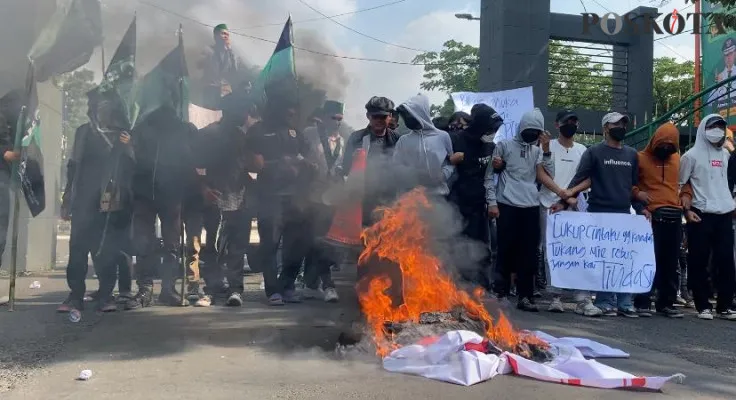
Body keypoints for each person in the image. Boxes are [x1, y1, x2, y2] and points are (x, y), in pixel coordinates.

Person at [553, 112, 640, 318]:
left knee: (623, 260)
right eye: (616, 123)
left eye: (623, 124)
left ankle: (625, 302)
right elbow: (579, 179)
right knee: (602, 260)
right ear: (606, 128)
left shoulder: (631, 154)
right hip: (599, 214)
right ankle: (604, 301)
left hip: (623, 214)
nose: (621, 127)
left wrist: (642, 209)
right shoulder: (594, 152)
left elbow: (634, 186)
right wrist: (562, 202)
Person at [58, 94, 135, 313]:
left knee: (105, 250)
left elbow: (132, 167)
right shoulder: (83, 132)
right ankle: (75, 296)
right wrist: (67, 199)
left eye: (106, 106)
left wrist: (128, 148)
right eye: (97, 106)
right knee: (78, 249)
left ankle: (106, 295)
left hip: (109, 200)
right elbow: (73, 166)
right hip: (83, 199)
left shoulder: (123, 135)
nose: (101, 111)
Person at [246, 79, 317, 306]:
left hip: (297, 198)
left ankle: (287, 285)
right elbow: (253, 164)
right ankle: (272, 290)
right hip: (271, 197)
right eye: (287, 106)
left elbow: (309, 158)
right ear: (276, 107)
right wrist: (280, 164)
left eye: (293, 107)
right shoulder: (259, 130)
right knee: (270, 245)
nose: (291, 111)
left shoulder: (297, 133)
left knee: (299, 244)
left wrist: (308, 165)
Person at [485, 108, 564, 312]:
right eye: (529, 129)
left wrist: (546, 151)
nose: (531, 134)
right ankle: (500, 292)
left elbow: (549, 175)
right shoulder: (504, 146)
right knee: (504, 250)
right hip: (506, 204)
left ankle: (526, 296)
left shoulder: (538, 150)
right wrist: (492, 202)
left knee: (529, 253)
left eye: (536, 131)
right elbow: (490, 176)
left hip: (530, 205)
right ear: (521, 127)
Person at [125, 106, 197, 310]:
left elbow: (192, 160)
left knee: (172, 244)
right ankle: (145, 288)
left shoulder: (186, 129)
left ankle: (168, 289)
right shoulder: (141, 128)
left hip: (172, 193)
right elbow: (132, 158)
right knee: (143, 242)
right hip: (144, 193)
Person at [537, 110, 603, 316]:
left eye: (575, 121)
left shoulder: (583, 150)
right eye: (567, 122)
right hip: (549, 204)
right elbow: (540, 173)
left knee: (581, 251)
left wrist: (569, 196)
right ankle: (555, 296)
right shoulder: (547, 147)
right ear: (557, 125)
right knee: (553, 251)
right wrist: (561, 195)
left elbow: (589, 177)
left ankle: (583, 299)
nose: (571, 125)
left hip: (575, 205)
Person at [198, 92, 261, 307]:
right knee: (213, 245)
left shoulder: (243, 137)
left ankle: (235, 289)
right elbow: (196, 166)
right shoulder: (208, 135)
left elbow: (251, 166)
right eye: (244, 111)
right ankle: (212, 288)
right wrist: (204, 188)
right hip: (215, 197)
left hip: (239, 196)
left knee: (236, 246)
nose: (247, 115)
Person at [679, 114, 736, 320]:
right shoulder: (690, 156)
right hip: (700, 214)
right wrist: (686, 210)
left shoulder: (725, 155)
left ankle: (725, 305)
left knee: (726, 260)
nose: (717, 130)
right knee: (698, 260)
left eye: (721, 127)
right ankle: (703, 305)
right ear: (703, 128)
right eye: (713, 126)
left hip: (724, 213)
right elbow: (680, 185)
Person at [631, 122, 685, 318]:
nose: (666, 149)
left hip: (674, 215)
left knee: (670, 263)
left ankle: (666, 303)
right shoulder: (640, 158)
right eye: (662, 145)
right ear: (654, 141)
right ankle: (642, 301)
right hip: (651, 216)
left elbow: (687, 182)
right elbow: (630, 183)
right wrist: (638, 194)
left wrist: (686, 196)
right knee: (647, 260)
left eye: (671, 146)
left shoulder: (678, 160)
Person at [448, 103, 503, 292]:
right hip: (457, 205)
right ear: (479, 125)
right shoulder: (456, 140)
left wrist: (491, 202)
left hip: (480, 206)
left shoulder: (490, 147)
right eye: (490, 129)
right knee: (457, 249)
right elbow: (443, 169)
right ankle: (454, 290)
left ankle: (481, 292)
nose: (493, 133)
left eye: (495, 130)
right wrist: (451, 160)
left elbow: (488, 177)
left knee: (482, 250)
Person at [301, 100, 346, 303]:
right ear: (324, 117)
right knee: (320, 241)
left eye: (339, 119)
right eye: (333, 118)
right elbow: (297, 154)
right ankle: (328, 284)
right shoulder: (310, 133)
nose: (336, 122)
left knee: (324, 242)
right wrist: (305, 164)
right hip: (311, 197)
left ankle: (311, 283)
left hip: (332, 198)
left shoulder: (342, 141)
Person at [341, 96, 400, 227]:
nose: (378, 120)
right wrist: (355, 160)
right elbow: (345, 168)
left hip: (389, 199)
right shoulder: (357, 138)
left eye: (383, 117)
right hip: (362, 198)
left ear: (390, 116)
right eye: (375, 117)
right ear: (368, 116)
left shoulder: (398, 139)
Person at [393, 94, 454, 197]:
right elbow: (396, 166)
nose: (407, 119)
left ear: (421, 113)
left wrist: (443, 175)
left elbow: (451, 162)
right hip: (411, 198)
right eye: (405, 116)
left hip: (438, 196)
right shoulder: (403, 140)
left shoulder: (443, 136)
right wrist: (413, 174)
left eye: (410, 115)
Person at [199, 23, 245, 110]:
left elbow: (235, 71)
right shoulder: (208, 50)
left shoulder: (231, 53)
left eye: (227, 34)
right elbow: (199, 65)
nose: (225, 36)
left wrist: (230, 51)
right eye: (222, 33)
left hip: (225, 90)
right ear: (215, 36)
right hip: (210, 88)